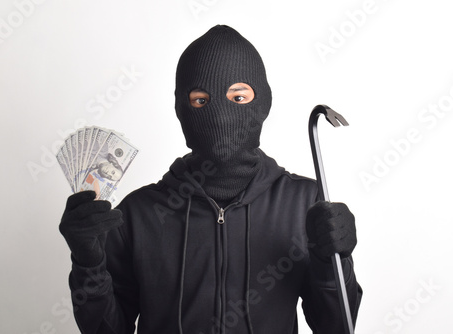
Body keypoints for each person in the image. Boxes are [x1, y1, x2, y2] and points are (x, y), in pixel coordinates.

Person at [59, 25, 362, 334]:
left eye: (239, 96)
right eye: (201, 100)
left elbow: (336, 327)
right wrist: (88, 263)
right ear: (181, 108)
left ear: (263, 103)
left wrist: (333, 263)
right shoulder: (137, 214)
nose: (219, 115)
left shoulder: (304, 203)